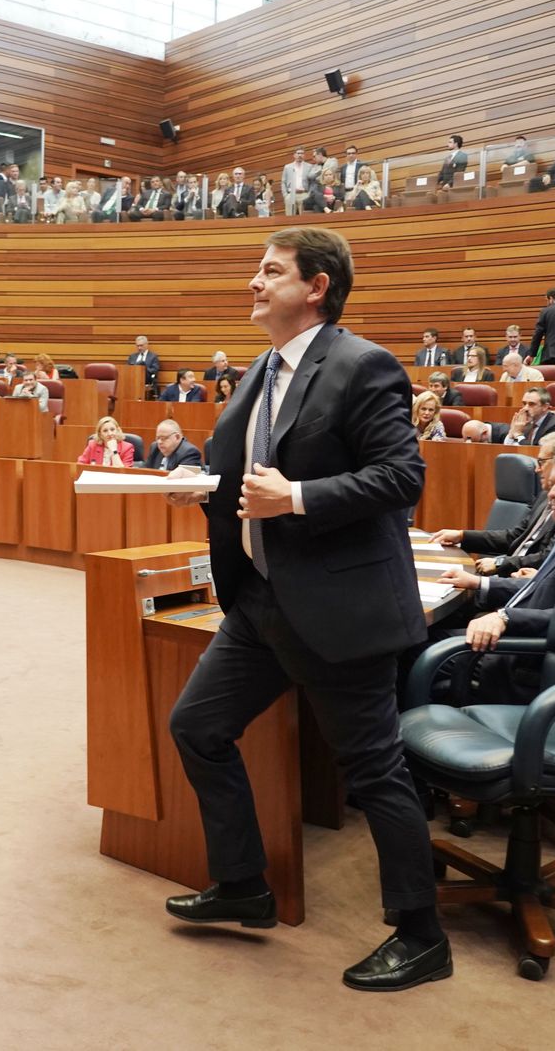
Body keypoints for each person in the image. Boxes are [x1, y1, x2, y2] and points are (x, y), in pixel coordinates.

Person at [159, 226, 446, 993]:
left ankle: (422, 934)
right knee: (198, 726)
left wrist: (300, 498)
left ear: (316, 286)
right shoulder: (257, 371)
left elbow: (400, 477)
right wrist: (200, 485)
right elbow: (238, 478)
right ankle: (244, 884)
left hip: (339, 606)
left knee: (374, 769)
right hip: (261, 604)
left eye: (271, 270)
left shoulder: (363, 364)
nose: (253, 282)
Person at [434, 446, 555, 703]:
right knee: (419, 638)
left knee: (417, 647)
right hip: (514, 642)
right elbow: (544, 590)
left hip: (530, 664)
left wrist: (505, 617)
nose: (554, 494)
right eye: (553, 484)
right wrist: (483, 585)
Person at [427, 429, 555, 575]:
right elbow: (515, 536)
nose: (537, 469)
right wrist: (462, 536)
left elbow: (547, 558)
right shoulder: (545, 496)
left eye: (541, 462)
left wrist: (501, 564)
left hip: (521, 581)